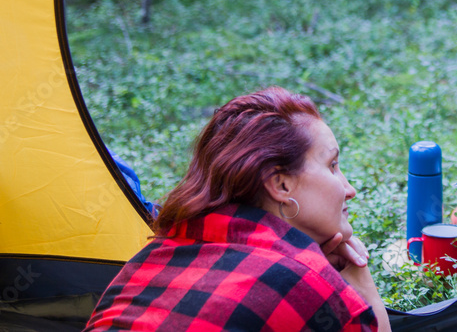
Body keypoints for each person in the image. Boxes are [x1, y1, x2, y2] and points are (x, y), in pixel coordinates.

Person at [84, 87, 391, 332]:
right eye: (333, 165)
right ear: (280, 185)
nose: (349, 188)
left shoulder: (149, 258)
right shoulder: (305, 285)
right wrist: (361, 280)